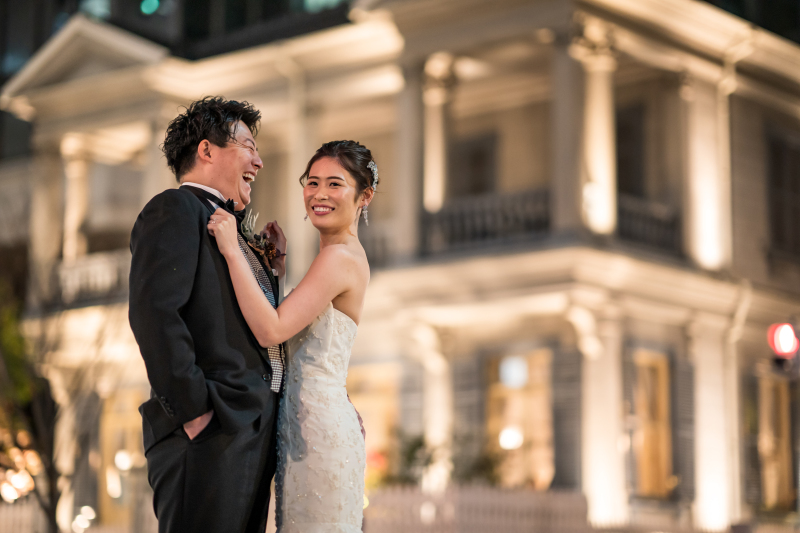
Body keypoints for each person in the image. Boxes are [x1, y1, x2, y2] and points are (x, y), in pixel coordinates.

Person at [128, 96, 286, 533]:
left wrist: (271, 269)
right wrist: (195, 413)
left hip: (248, 426)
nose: (258, 159)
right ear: (206, 150)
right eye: (248, 145)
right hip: (209, 428)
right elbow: (155, 315)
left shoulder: (233, 227)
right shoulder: (175, 208)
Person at [207, 140, 375, 532]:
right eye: (312, 182)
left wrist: (233, 251)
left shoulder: (338, 258)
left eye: (335, 184)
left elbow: (272, 330)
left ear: (364, 196)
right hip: (309, 423)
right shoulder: (340, 256)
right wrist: (277, 272)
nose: (319, 194)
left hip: (318, 431)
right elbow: (296, 334)